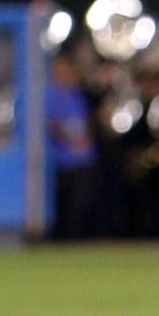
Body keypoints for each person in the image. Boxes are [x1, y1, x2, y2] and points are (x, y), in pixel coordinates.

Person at [45, 52, 97, 240]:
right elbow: (50, 124)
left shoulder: (76, 94)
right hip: (61, 161)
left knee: (81, 204)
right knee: (62, 205)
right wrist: (70, 138)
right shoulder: (48, 94)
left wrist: (86, 141)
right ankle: (59, 241)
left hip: (82, 159)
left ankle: (76, 241)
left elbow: (86, 122)